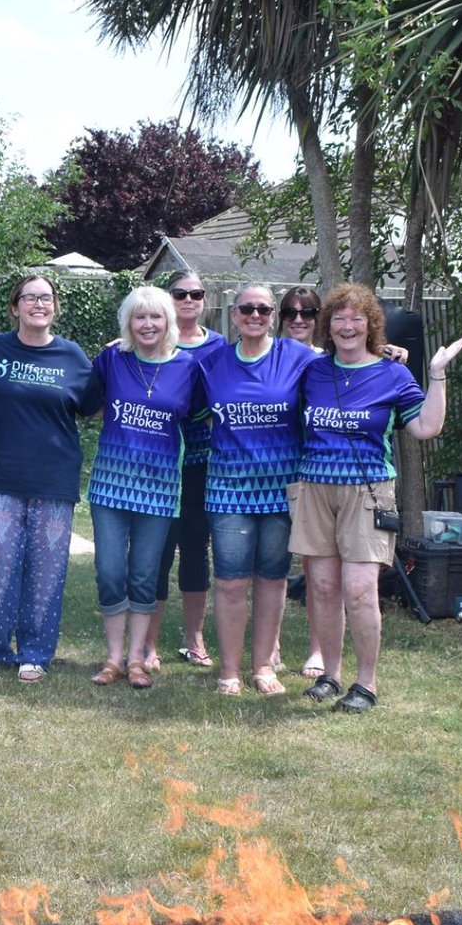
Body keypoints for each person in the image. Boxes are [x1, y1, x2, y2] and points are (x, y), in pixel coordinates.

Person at [290, 284, 462, 712]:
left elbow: (425, 427)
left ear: (371, 326)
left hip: (367, 490)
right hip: (314, 488)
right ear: (328, 326)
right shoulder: (313, 371)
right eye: (339, 318)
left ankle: (365, 684)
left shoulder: (392, 374)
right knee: (324, 586)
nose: (347, 326)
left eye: (357, 319)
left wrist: (438, 373)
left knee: (360, 591)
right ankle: (331, 676)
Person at [0, 274, 102, 682]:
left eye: (46, 298)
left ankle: (35, 653)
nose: (38, 304)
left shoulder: (73, 356)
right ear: (15, 307)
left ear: (55, 307)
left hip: (53, 479)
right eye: (30, 298)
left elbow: (92, 408)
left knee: (46, 571)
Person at [196, 284, 315, 696]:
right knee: (230, 581)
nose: (255, 315)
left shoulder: (298, 357)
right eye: (247, 308)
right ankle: (229, 670)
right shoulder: (213, 363)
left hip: (282, 490)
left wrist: (386, 351)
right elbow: (173, 380)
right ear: (234, 315)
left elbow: (346, 369)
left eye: (264, 309)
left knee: (273, 578)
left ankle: (263, 666)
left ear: (273, 316)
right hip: (228, 488)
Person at [88, 286, 199, 688]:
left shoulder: (188, 368)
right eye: (139, 317)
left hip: (160, 488)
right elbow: (87, 400)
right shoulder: (112, 360)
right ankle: (113, 658)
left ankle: (136, 659)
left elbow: (200, 415)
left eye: (155, 317)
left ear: (169, 321)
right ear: (128, 323)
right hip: (110, 487)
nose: (148, 324)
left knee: (145, 575)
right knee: (110, 571)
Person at [143, 271, 226, 671]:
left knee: (195, 551)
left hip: (202, 463)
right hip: (158, 464)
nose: (189, 299)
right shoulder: (154, 340)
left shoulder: (221, 347)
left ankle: (194, 639)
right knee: (156, 552)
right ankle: (149, 644)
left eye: (197, 293)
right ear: (167, 299)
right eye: (180, 293)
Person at [278, 286, 326, 677]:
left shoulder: (327, 362)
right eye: (291, 313)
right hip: (275, 472)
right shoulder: (269, 356)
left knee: (316, 566)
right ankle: (270, 644)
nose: (299, 320)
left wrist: (388, 351)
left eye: (307, 313)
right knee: (274, 563)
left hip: (315, 473)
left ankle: (318, 649)